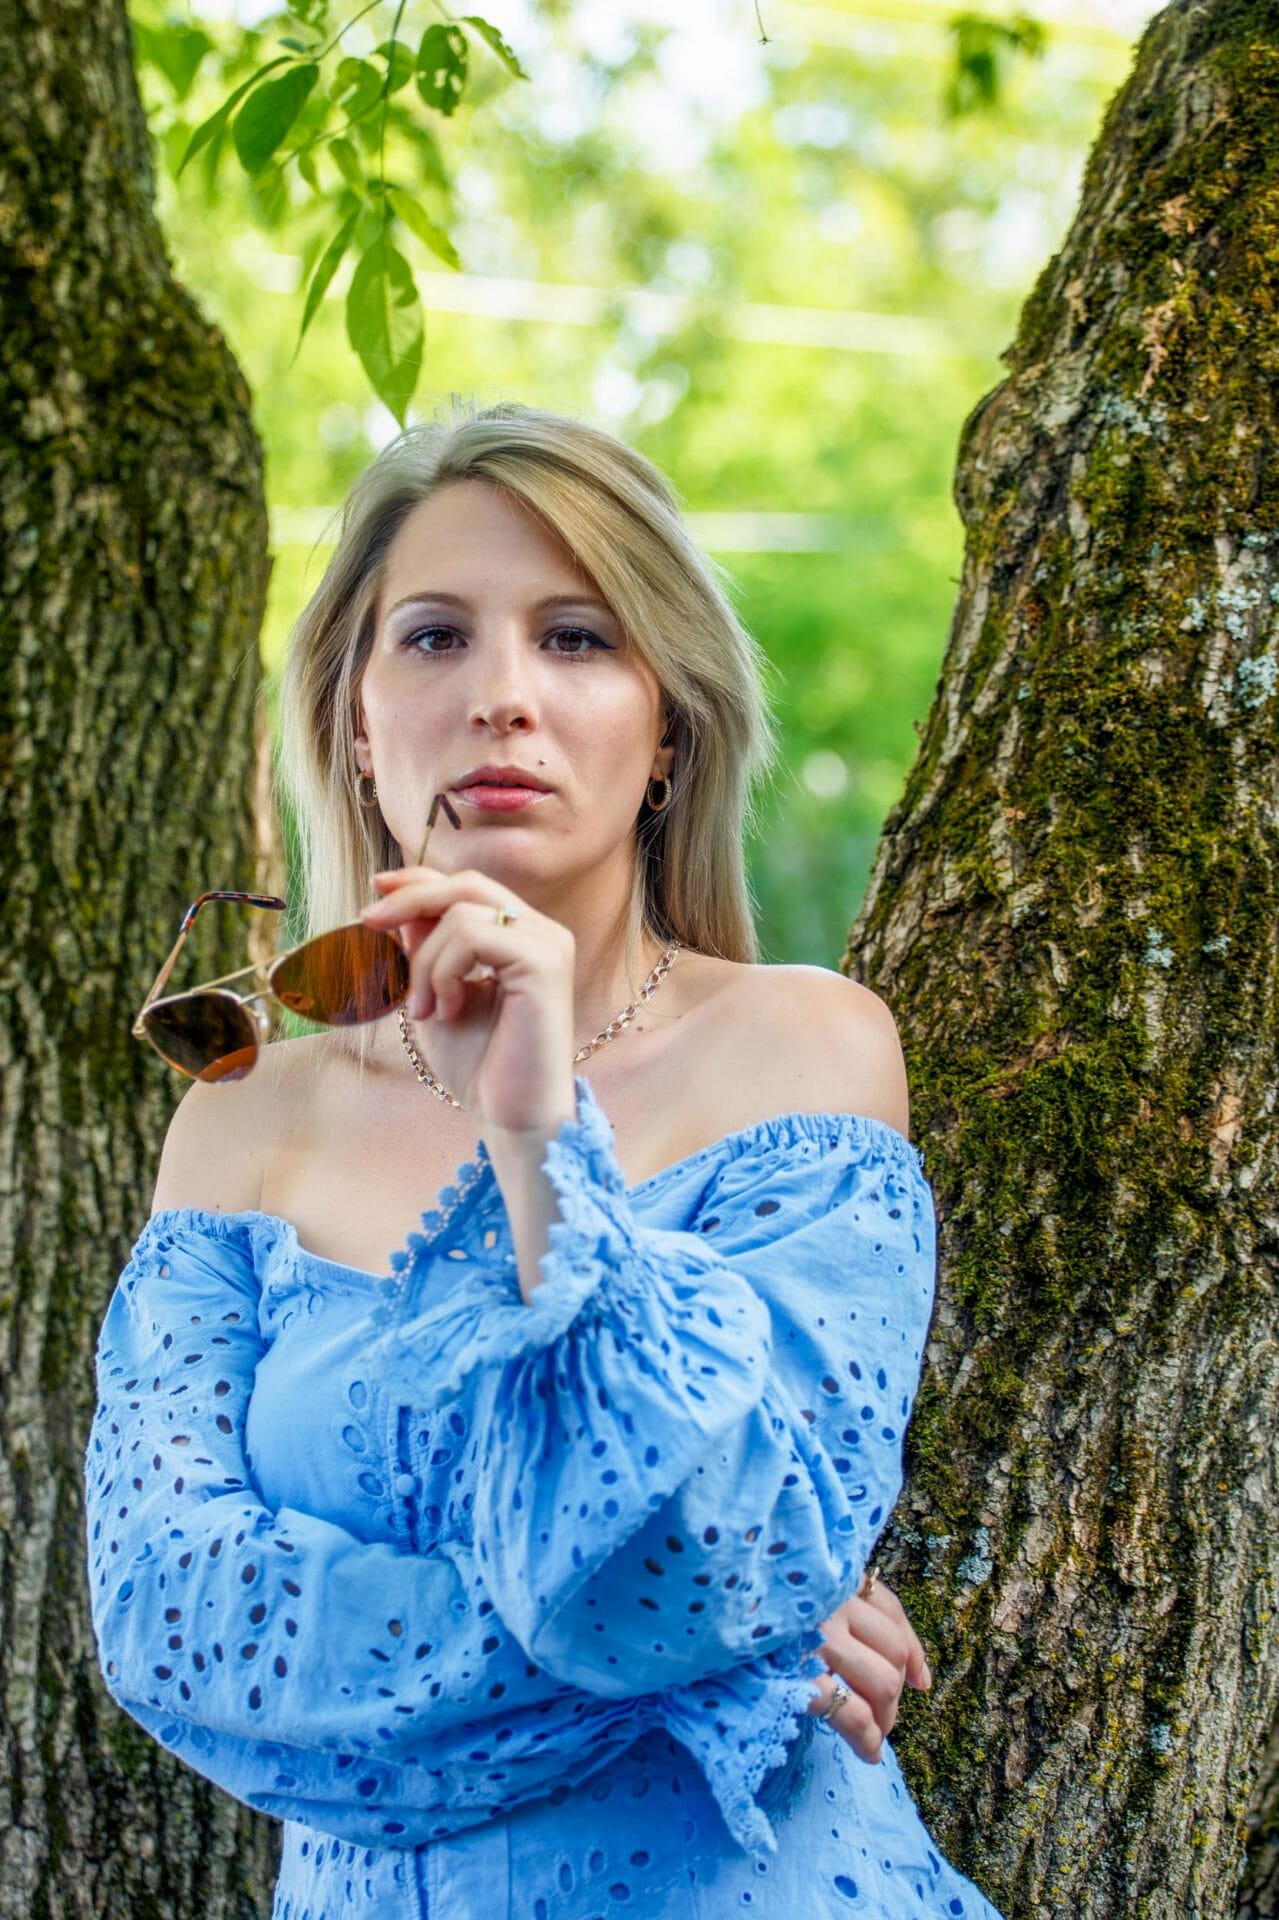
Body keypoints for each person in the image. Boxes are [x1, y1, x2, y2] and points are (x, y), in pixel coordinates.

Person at [84, 399, 1003, 1919]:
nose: (502, 695)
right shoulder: (241, 1123)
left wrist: (535, 1138)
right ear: (358, 724)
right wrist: (727, 1654)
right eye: (435, 637)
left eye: (576, 639)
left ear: (668, 729)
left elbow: (706, 1553)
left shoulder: (803, 1051)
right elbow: (169, 1618)